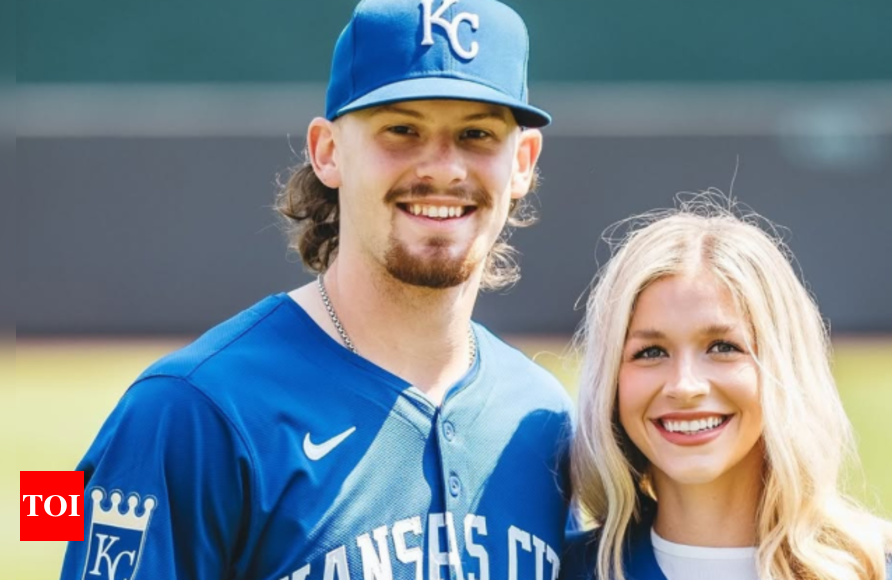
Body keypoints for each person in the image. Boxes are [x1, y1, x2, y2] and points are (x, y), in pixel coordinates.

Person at [61, 1, 573, 579]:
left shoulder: (549, 419)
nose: (444, 168)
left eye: (477, 133)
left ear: (523, 161)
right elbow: (52, 523)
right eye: (401, 130)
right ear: (327, 151)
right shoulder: (188, 408)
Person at [561, 199, 892, 580]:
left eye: (723, 347)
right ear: (611, 380)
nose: (685, 385)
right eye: (650, 352)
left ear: (785, 367)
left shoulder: (890, 572)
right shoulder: (561, 570)